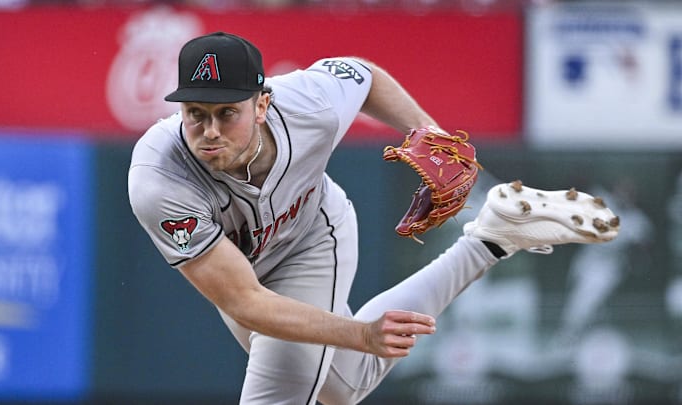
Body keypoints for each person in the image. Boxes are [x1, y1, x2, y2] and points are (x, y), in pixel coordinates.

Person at [128, 31, 619, 404]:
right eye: (195, 113)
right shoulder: (160, 179)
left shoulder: (307, 103)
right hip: (246, 271)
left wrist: (431, 135)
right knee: (346, 385)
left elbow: (364, 75)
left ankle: (491, 236)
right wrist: (361, 335)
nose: (209, 131)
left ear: (262, 104)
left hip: (311, 236)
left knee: (279, 391)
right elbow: (246, 300)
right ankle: (491, 239)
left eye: (225, 113)